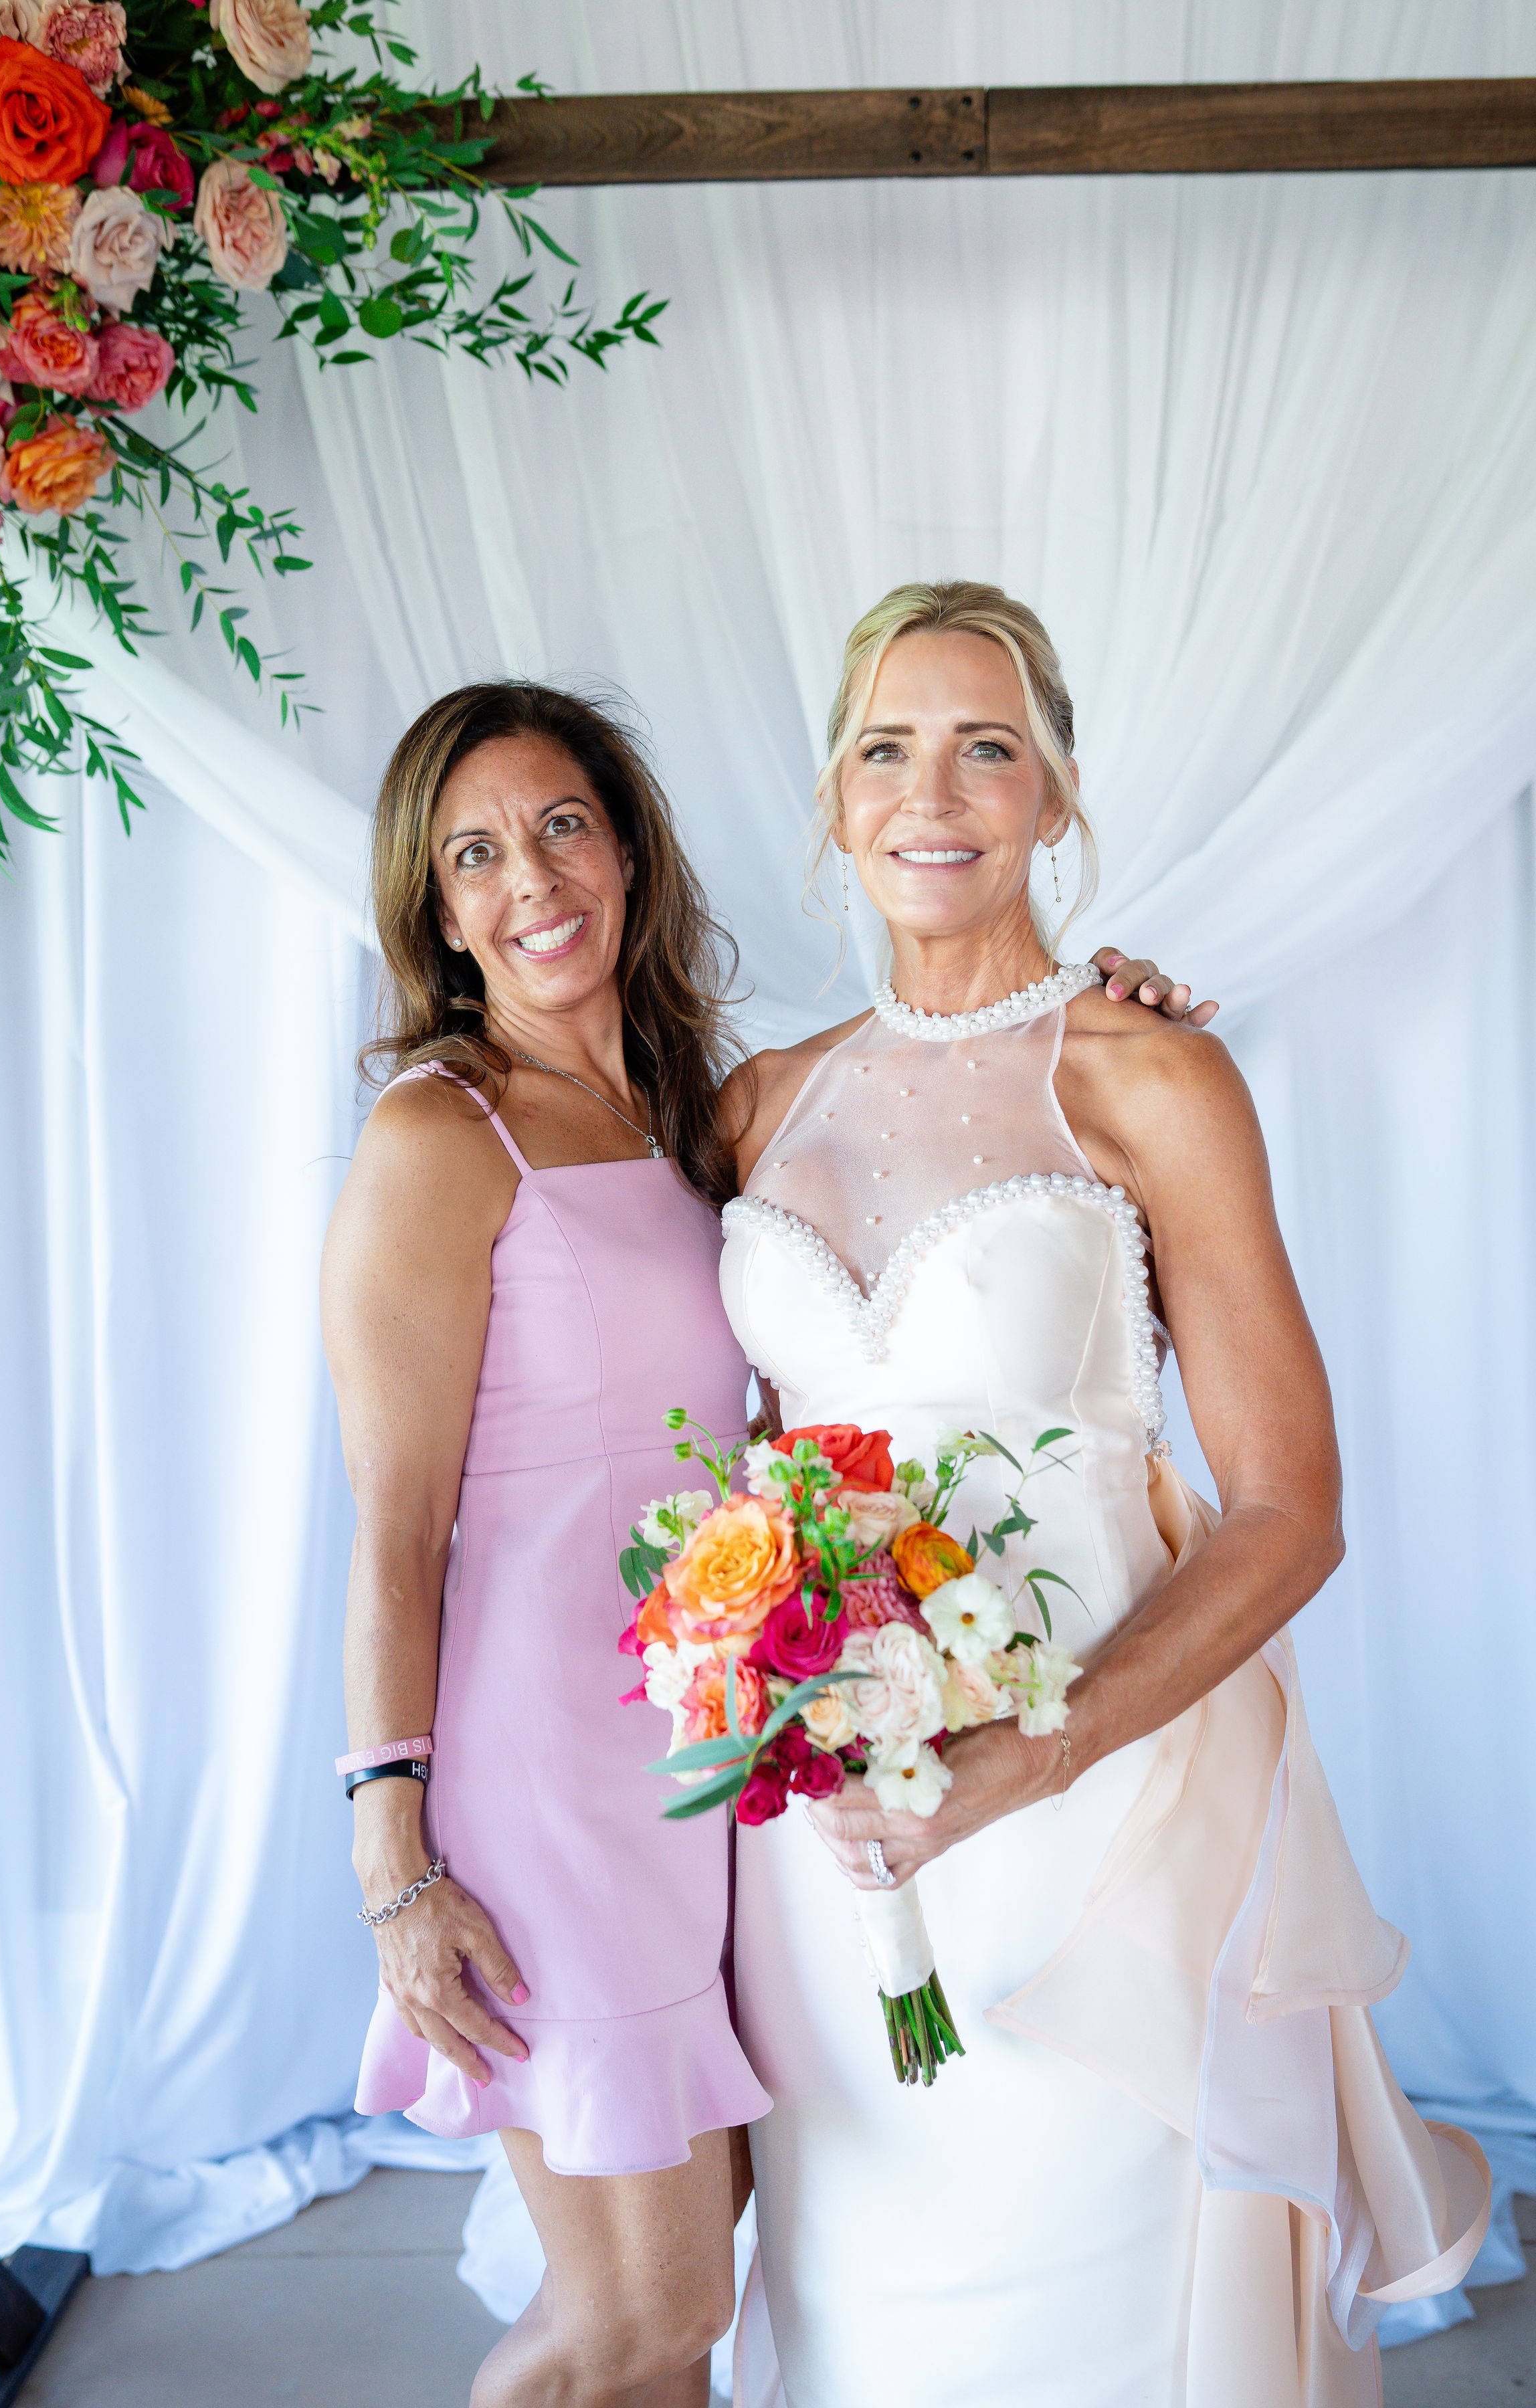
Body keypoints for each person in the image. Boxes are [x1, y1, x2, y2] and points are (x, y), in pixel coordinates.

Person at [320, 674, 1198, 2407]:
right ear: (436, 909)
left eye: (563, 826)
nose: (532, 879)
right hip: (547, 1787)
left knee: (700, 2289)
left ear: (629, 853)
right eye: (475, 853)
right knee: (636, 2319)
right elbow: (392, 1531)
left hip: (716, 1763)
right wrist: (392, 1858)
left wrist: (1113, 1005)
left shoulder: (694, 1111)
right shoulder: (440, 1132)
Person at [720, 582, 1489, 2408]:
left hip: (1102, 1804)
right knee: (865, 2287)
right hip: (827, 1821)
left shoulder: (1153, 1074)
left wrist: (1028, 1758)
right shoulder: (753, 1100)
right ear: (833, 800)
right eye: (887, 749)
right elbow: (733, 1460)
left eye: (987, 747)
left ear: (1056, 794)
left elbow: (1290, 1506)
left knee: (1098, 2296)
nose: (933, 794)